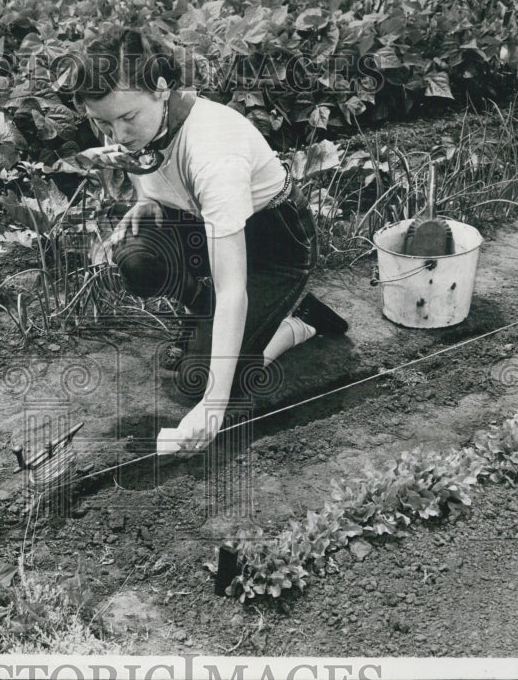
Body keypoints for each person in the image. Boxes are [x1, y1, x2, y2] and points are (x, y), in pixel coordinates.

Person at [71, 28, 347, 452]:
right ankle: (214, 318)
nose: (118, 136)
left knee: (200, 382)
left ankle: (299, 321)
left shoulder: (214, 150)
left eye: (127, 119)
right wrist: (149, 203)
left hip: (273, 245)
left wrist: (213, 408)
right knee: (139, 259)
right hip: (207, 228)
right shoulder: (135, 124)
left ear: (162, 90)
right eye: (103, 122)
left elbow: (233, 288)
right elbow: (149, 168)